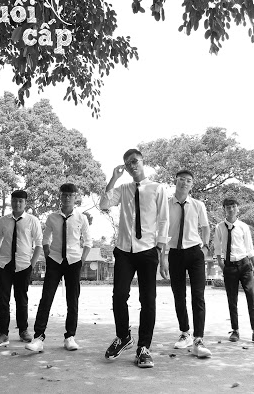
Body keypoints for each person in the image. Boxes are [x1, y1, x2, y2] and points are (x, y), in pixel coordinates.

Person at [99, 149, 169, 368]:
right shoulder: (123, 189)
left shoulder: (157, 188)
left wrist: (161, 250)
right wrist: (113, 178)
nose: (131, 165)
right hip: (124, 250)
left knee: (148, 300)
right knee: (119, 295)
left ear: (142, 161)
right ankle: (123, 337)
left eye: (134, 161)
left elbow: (164, 220)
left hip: (148, 250)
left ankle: (144, 347)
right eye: (127, 163)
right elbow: (104, 204)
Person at [25, 183, 92, 352]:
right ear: (60, 196)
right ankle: (38, 337)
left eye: (70, 195)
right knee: (46, 298)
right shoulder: (52, 217)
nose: (67, 198)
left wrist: (82, 260)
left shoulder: (81, 218)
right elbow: (45, 239)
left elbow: (88, 242)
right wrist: (48, 256)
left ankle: (70, 337)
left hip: (74, 262)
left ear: (75, 197)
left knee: (72, 300)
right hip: (55, 260)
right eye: (64, 195)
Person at [167, 170, 212, 358]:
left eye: (188, 181)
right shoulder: (166, 204)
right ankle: (185, 333)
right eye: (181, 180)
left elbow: (205, 227)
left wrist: (205, 248)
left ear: (192, 184)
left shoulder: (198, 205)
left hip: (195, 252)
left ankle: (198, 339)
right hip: (174, 253)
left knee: (198, 295)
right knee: (178, 294)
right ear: (175, 181)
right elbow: (160, 227)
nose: (184, 183)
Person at [0, 190, 43, 347]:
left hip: (23, 265)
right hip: (4, 264)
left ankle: (23, 330)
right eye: (14, 201)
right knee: (2, 299)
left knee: (22, 299)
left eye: (20, 201)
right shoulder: (3, 221)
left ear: (25, 203)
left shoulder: (32, 221)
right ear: (11, 202)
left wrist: (32, 264)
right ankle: (2, 333)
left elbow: (39, 244)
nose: (17, 204)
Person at [212, 197, 254, 343]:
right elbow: (217, 247)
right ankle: (235, 331)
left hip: (244, 265)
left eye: (233, 206)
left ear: (237, 208)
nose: (231, 209)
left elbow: (249, 248)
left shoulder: (243, 227)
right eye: (228, 207)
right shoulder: (219, 227)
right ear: (224, 209)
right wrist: (221, 263)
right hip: (229, 266)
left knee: (251, 296)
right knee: (232, 299)